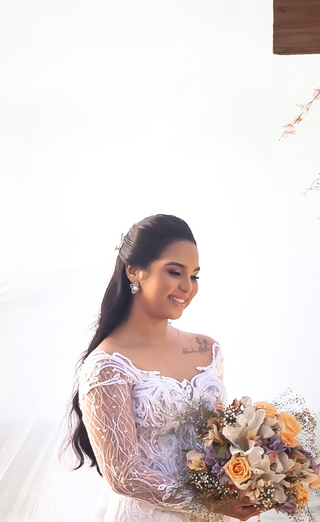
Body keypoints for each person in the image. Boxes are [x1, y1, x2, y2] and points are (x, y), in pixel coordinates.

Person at [67, 215, 262, 522]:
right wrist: (207, 505)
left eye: (195, 276)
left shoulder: (208, 350)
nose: (187, 287)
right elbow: (123, 474)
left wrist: (259, 475)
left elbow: (220, 442)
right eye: (175, 272)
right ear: (134, 271)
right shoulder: (106, 365)